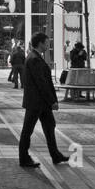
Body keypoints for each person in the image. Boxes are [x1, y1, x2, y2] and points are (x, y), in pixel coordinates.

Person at [18, 33, 69, 169]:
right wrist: (52, 101)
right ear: (40, 43)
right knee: (27, 130)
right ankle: (24, 158)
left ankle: (55, 154)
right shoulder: (34, 58)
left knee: (49, 126)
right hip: (36, 102)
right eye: (47, 42)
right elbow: (42, 83)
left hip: (40, 103)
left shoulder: (35, 57)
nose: (48, 45)